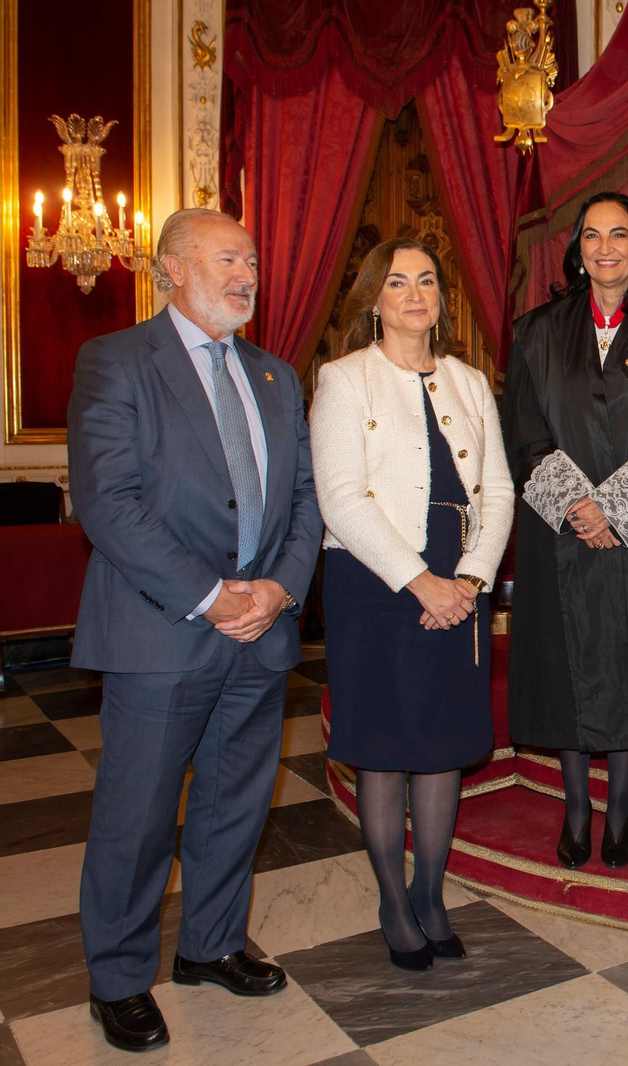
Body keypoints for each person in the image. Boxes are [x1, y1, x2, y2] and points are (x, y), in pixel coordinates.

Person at [69, 208, 321, 1052]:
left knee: (234, 805)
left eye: (251, 258)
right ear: (171, 268)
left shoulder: (277, 376)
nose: (245, 273)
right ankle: (117, 978)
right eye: (226, 259)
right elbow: (110, 505)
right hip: (161, 631)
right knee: (137, 816)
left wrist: (280, 591)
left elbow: (302, 505)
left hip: (261, 633)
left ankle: (211, 945)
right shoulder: (115, 362)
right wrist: (214, 595)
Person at [310, 237, 513, 969]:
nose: (415, 294)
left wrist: (470, 578)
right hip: (375, 586)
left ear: (441, 298)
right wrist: (419, 579)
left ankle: (431, 891)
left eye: (427, 280)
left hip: (459, 585)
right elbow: (340, 496)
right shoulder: (344, 379)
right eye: (398, 282)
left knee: (439, 746)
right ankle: (393, 901)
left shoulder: (470, 381)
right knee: (384, 749)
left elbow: (498, 491)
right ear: (375, 299)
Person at [503, 192, 628, 871]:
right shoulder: (536, 330)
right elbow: (523, 429)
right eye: (593, 235)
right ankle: (576, 807)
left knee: (624, 663)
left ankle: (620, 809)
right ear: (577, 249)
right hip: (556, 530)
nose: (606, 247)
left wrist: (616, 505)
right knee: (565, 668)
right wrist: (572, 504)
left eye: (621, 234)